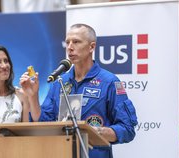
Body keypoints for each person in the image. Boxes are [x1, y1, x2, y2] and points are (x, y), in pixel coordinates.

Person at [19, 23, 138, 158]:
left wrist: (98, 132)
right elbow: (43, 123)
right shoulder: (60, 82)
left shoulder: (109, 81)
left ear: (92, 47)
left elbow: (127, 129)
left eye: (76, 42)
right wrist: (33, 96)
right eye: (67, 42)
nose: (70, 47)